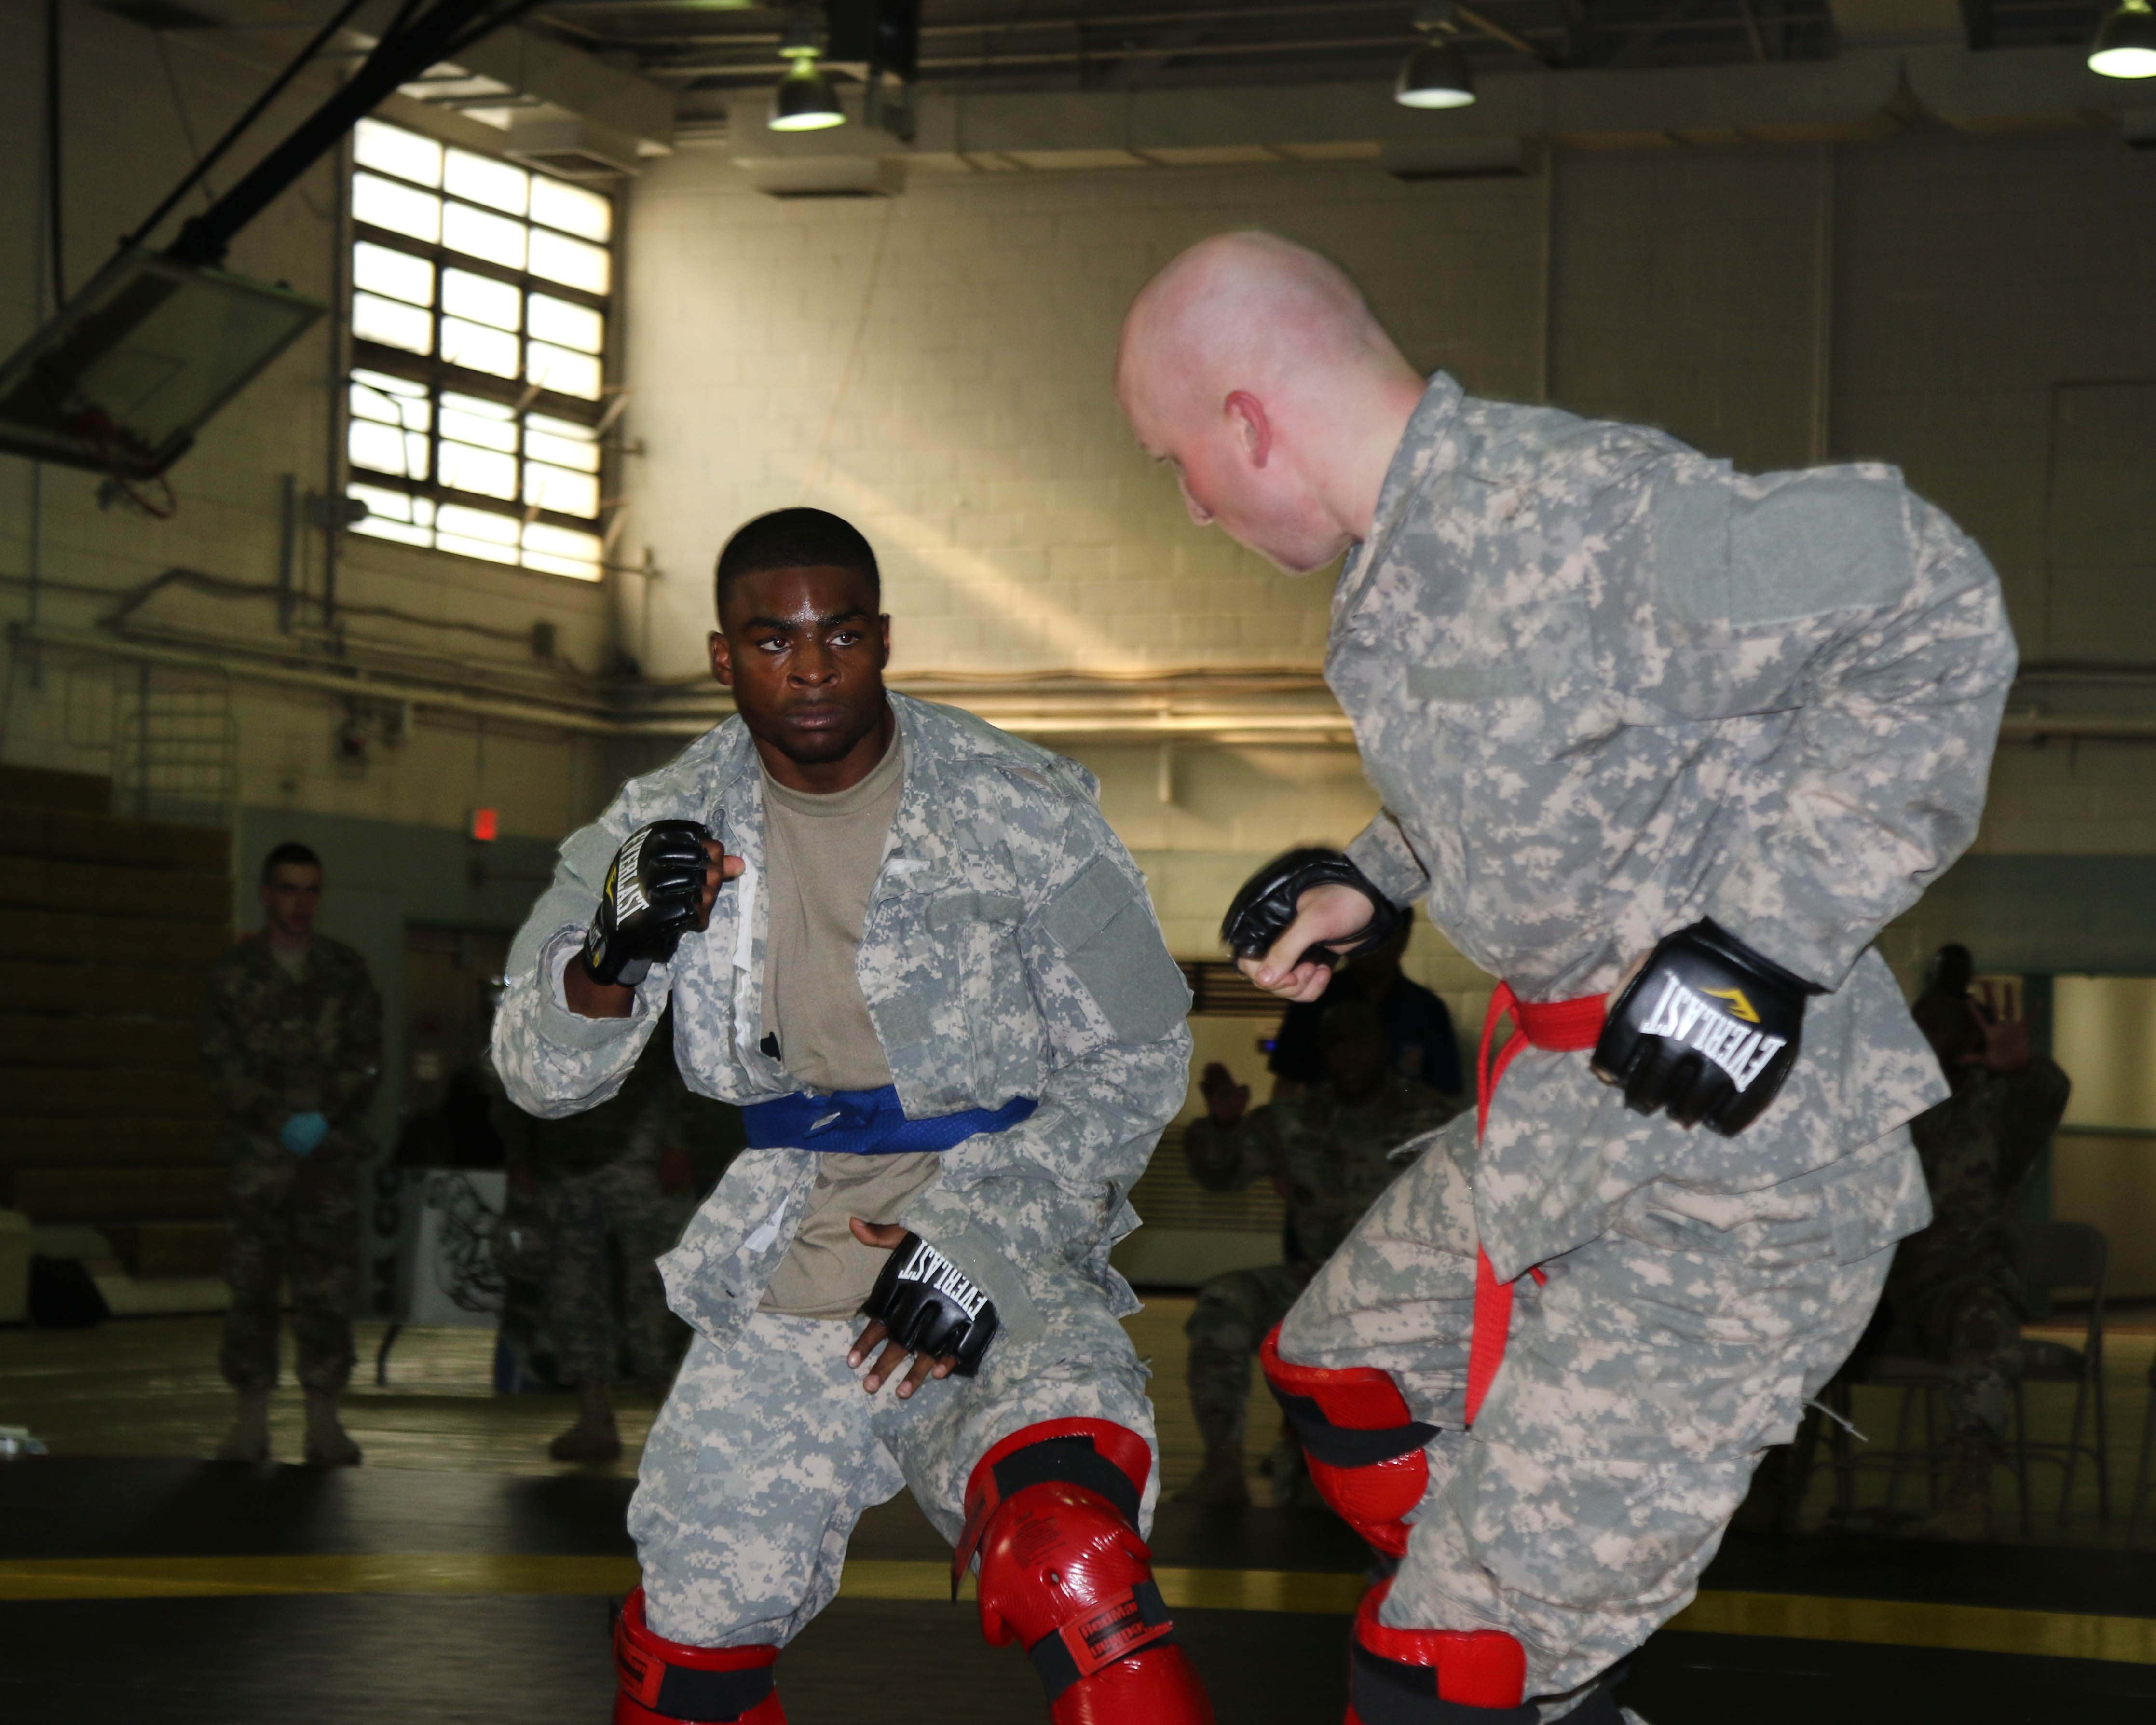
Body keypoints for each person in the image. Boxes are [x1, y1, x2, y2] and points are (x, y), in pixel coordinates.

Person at [1117, 232, 2014, 1719]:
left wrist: (1765, 944)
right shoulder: (1403, 566)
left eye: (1176, 460)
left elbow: (1932, 602)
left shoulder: (1575, 508)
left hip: (1744, 1173)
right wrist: (1370, 876)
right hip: (1572, 1118)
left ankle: (1500, 1648)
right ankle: (1535, 1651)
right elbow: (1544, 771)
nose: (1190, 498)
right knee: (1343, 1384)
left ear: (1245, 419)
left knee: (1435, 1675)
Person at [492, 508, 1214, 1725]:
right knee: (687, 1660)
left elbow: (1139, 1054)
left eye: (839, 634)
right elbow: (536, 1071)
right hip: (788, 1261)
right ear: (723, 657)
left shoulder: (1018, 803)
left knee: (1072, 1559)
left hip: (1002, 1239)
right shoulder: (658, 822)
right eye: (773, 639)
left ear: (882, 639)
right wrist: (610, 951)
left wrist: (977, 1242)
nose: (811, 666)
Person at [1177, 1002, 1460, 1506]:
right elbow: (1219, 1175)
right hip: (1320, 1285)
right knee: (1226, 1299)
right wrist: (1222, 1125)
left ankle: (1438, 1474)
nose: (1349, 1057)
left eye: (1361, 1043)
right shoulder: (1296, 1119)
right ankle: (1222, 1465)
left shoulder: (1431, 1118)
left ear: (1383, 1049)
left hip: (1407, 1296)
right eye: (1336, 1046)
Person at [198, 841, 383, 1466]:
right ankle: (249, 1420)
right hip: (258, 1161)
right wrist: (279, 1120)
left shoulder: (345, 971)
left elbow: (367, 1058)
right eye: (288, 889)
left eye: (311, 890)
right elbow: (220, 1066)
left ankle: (323, 1423)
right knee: (252, 1290)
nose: (300, 903)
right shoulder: (233, 976)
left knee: (326, 1292)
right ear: (266, 894)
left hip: (326, 1160)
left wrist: (323, 1114)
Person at [1888, 945, 2071, 1540]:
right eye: (1921, 1026)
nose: (1928, 1039)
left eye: (1942, 1028)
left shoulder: (1992, 1108)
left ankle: (1968, 1495)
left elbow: (2042, 1101)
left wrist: (2019, 1071)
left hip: (1956, 1285)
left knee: (1985, 1325)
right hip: (1868, 1289)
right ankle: (1763, 1504)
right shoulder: (1881, 1104)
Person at [494, 1014, 700, 1462]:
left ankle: (678, 1420)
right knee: (571, 1287)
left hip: (638, 1148)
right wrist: (519, 1153)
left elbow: (683, 1054)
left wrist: (678, 1140)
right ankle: (594, 1415)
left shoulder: (648, 957)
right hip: (561, 1151)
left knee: (659, 1285)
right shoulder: (543, 961)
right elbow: (512, 1058)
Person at [1265, 920, 1463, 1101]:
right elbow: (1287, 1082)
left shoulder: (1427, 1010)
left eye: (1383, 934)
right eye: (1363, 934)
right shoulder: (1313, 998)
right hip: (1325, 1131)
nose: (1373, 946)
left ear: (1403, 936)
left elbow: (1446, 1093)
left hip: (1405, 1134)